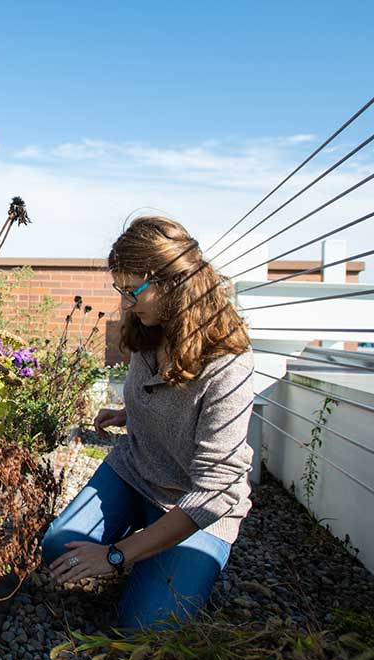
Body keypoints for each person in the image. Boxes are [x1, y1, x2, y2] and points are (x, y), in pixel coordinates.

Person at [40, 215, 256, 630]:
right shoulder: (148, 329)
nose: (125, 302)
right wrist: (129, 413)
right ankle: (147, 550)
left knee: (146, 627)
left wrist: (115, 555)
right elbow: (168, 400)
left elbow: (214, 490)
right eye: (120, 289)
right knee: (58, 548)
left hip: (193, 505)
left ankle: (154, 554)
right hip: (137, 474)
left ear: (173, 283)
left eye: (131, 289)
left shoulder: (228, 361)